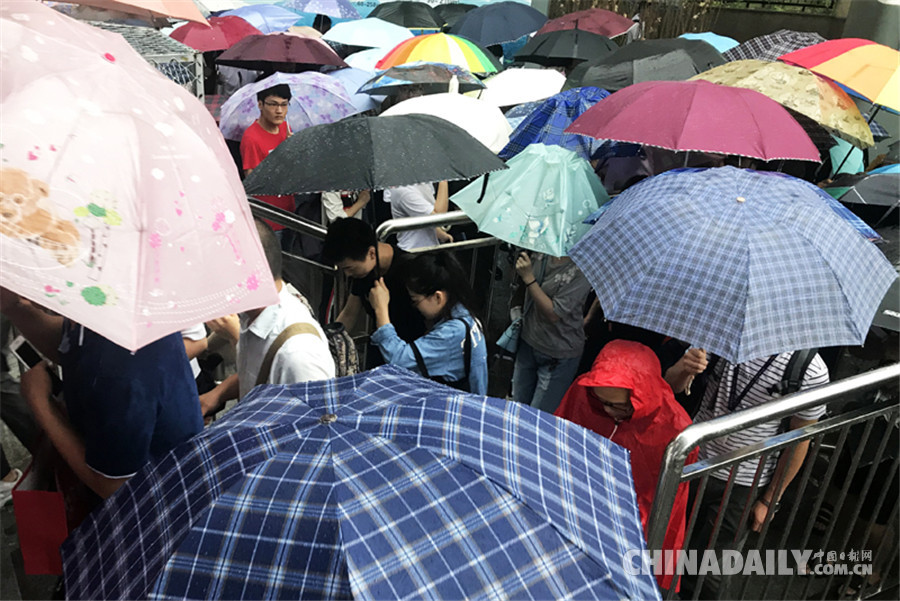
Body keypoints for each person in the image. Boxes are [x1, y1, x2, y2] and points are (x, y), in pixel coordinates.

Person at [0, 290, 203, 500]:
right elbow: (70, 344)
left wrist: (42, 405)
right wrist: (14, 307)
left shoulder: (121, 367)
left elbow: (114, 488)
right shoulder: (104, 303)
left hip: (154, 502)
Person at [682, 350, 830, 599]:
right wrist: (684, 369)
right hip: (691, 464)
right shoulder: (718, 338)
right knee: (668, 550)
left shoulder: (808, 368)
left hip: (743, 481)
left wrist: (770, 498)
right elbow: (673, 384)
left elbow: (799, 439)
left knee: (711, 569)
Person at [555, 340, 697, 592]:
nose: (609, 411)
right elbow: (555, 441)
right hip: (577, 511)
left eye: (620, 406)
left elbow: (668, 511)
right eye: (601, 402)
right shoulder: (582, 392)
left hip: (630, 529)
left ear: (643, 396)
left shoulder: (676, 430)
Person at [200, 220, 335, 417]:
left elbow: (314, 431)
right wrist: (216, 395)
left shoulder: (298, 355)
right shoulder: (251, 318)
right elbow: (257, 375)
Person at [368, 253, 488, 394]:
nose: (415, 307)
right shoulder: (465, 315)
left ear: (438, 297)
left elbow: (399, 361)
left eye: (415, 300)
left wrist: (381, 309)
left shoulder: (452, 333)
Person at [322, 218, 425, 365]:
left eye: (349, 268)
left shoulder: (412, 271)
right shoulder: (363, 272)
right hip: (378, 349)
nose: (347, 275)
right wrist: (326, 344)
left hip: (410, 354)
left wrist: (380, 307)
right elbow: (350, 313)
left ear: (371, 253)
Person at [511, 250, 591, 414]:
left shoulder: (584, 268)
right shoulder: (542, 249)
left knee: (538, 419)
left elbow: (554, 313)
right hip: (529, 340)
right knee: (517, 410)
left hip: (558, 352)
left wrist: (528, 278)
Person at [240, 83, 294, 239]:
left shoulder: (286, 128)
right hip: (269, 219)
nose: (279, 111)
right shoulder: (252, 138)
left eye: (284, 105)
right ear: (260, 104)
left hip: (289, 211)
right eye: (273, 104)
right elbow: (252, 180)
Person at [384, 181, 453, 250]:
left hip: (431, 246)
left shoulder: (423, 181)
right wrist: (443, 180)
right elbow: (439, 219)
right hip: (415, 251)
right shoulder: (402, 189)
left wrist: (443, 235)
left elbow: (429, 213)